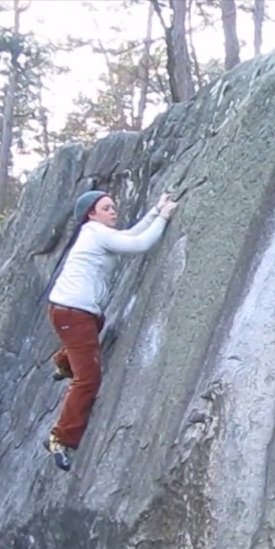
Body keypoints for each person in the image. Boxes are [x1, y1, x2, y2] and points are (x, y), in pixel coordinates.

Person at [44, 189, 177, 471]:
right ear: (91, 214)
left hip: (74, 311)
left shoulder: (98, 233)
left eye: (113, 206)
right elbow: (141, 244)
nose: (113, 211)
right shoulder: (95, 233)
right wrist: (164, 218)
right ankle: (60, 437)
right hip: (73, 312)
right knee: (88, 380)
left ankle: (63, 363)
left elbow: (128, 236)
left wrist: (155, 212)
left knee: (95, 328)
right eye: (106, 208)